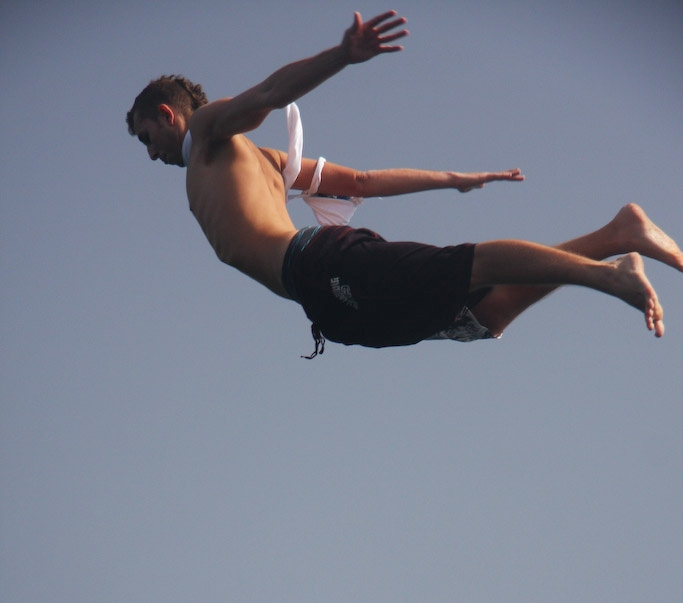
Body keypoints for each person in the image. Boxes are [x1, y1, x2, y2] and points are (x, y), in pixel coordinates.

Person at [127, 10, 681, 356]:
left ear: (167, 114)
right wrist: (453, 179)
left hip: (320, 265)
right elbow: (362, 181)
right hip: (326, 302)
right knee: (483, 315)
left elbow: (269, 95)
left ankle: (607, 278)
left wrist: (341, 56)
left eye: (147, 137)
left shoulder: (208, 133)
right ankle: (617, 235)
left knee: (465, 268)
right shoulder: (260, 162)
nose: (151, 154)